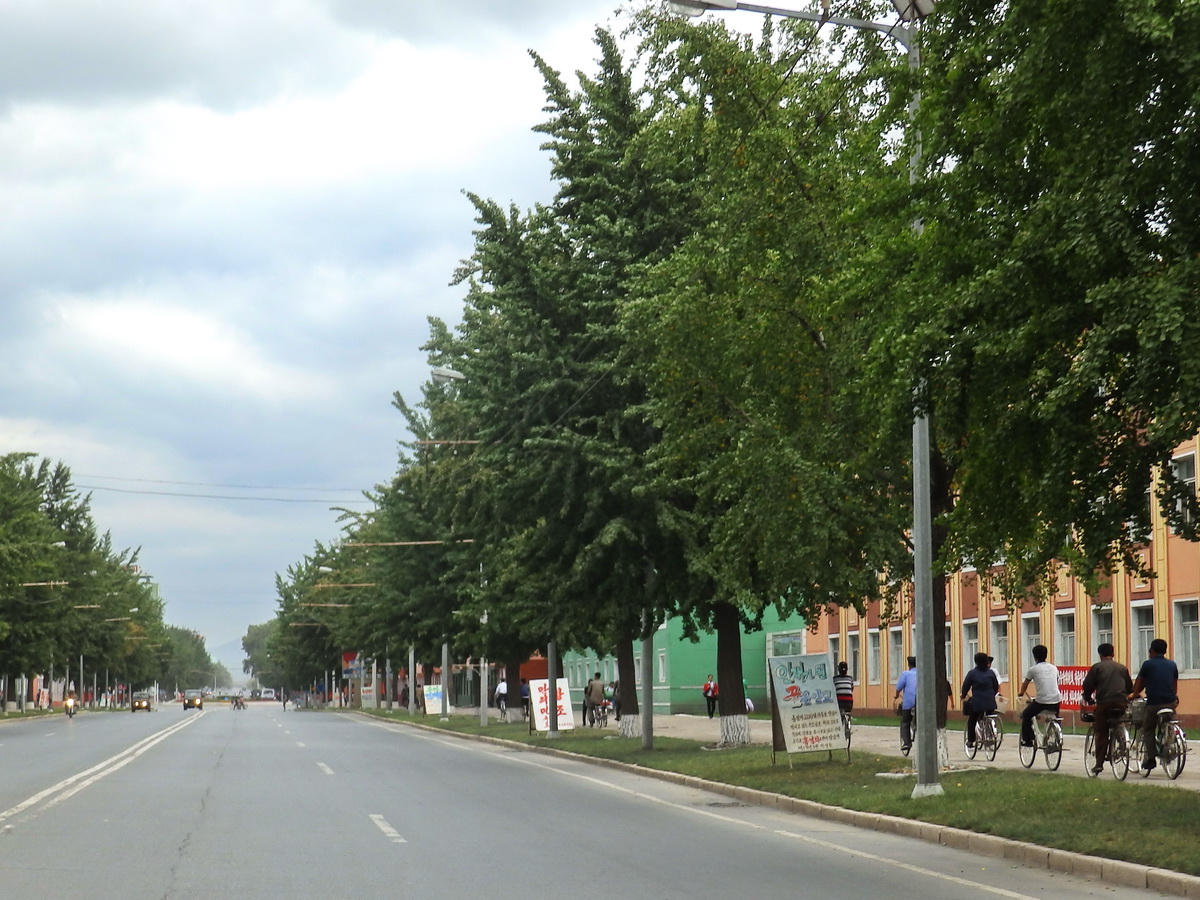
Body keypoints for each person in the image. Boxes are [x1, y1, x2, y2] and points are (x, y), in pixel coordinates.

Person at [1081, 642, 1133, 775]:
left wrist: (1087, 697)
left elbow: (1087, 685)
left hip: (1104, 704)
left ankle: (1099, 764)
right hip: (1121, 703)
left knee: (1101, 731)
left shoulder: (1097, 667)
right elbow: (1129, 688)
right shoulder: (1122, 668)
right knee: (1118, 721)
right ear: (1113, 654)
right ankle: (1121, 742)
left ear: (1100, 655)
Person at [1130, 638, 1180, 772]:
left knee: (1148, 729)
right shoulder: (1172, 664)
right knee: (1170, 722)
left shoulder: (1147, 665)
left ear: (1151, 651)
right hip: (1170, 702)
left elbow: (1139, 684)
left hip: (1153, 704)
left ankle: (1151, 759)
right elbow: (1174, 687)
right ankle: (1171, 742)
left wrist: (1133, 695)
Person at [1017, 644, 1061, 747]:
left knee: (1026, 714)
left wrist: (1021, 693)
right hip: (1056, 700)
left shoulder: (1033, 669)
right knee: (1055, 716)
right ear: (1046, 655)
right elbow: (1056, 681)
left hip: (1041, 701)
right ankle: (1056, 736)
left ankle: (1028, 740)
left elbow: (1025, 684)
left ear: (1034, 656)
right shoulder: (1054, 668)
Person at [961, 651, 999, 747]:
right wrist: (991, 695)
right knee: (990, 715)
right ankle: (991, 733)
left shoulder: (972, 673)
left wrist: (963, 695)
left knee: (972, 720)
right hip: (990, 703)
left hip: (977, 704)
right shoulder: (991, 673)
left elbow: (965, 686)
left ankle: (971, 741)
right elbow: (995, 686)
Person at [894, 656, 918, 753]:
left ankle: (907, 743)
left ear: (909, 665)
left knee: (905, 722)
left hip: (909, 703)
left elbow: (898, 688)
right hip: (920, 703)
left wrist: (896, 696)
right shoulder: (922, 673)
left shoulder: (906, 674)